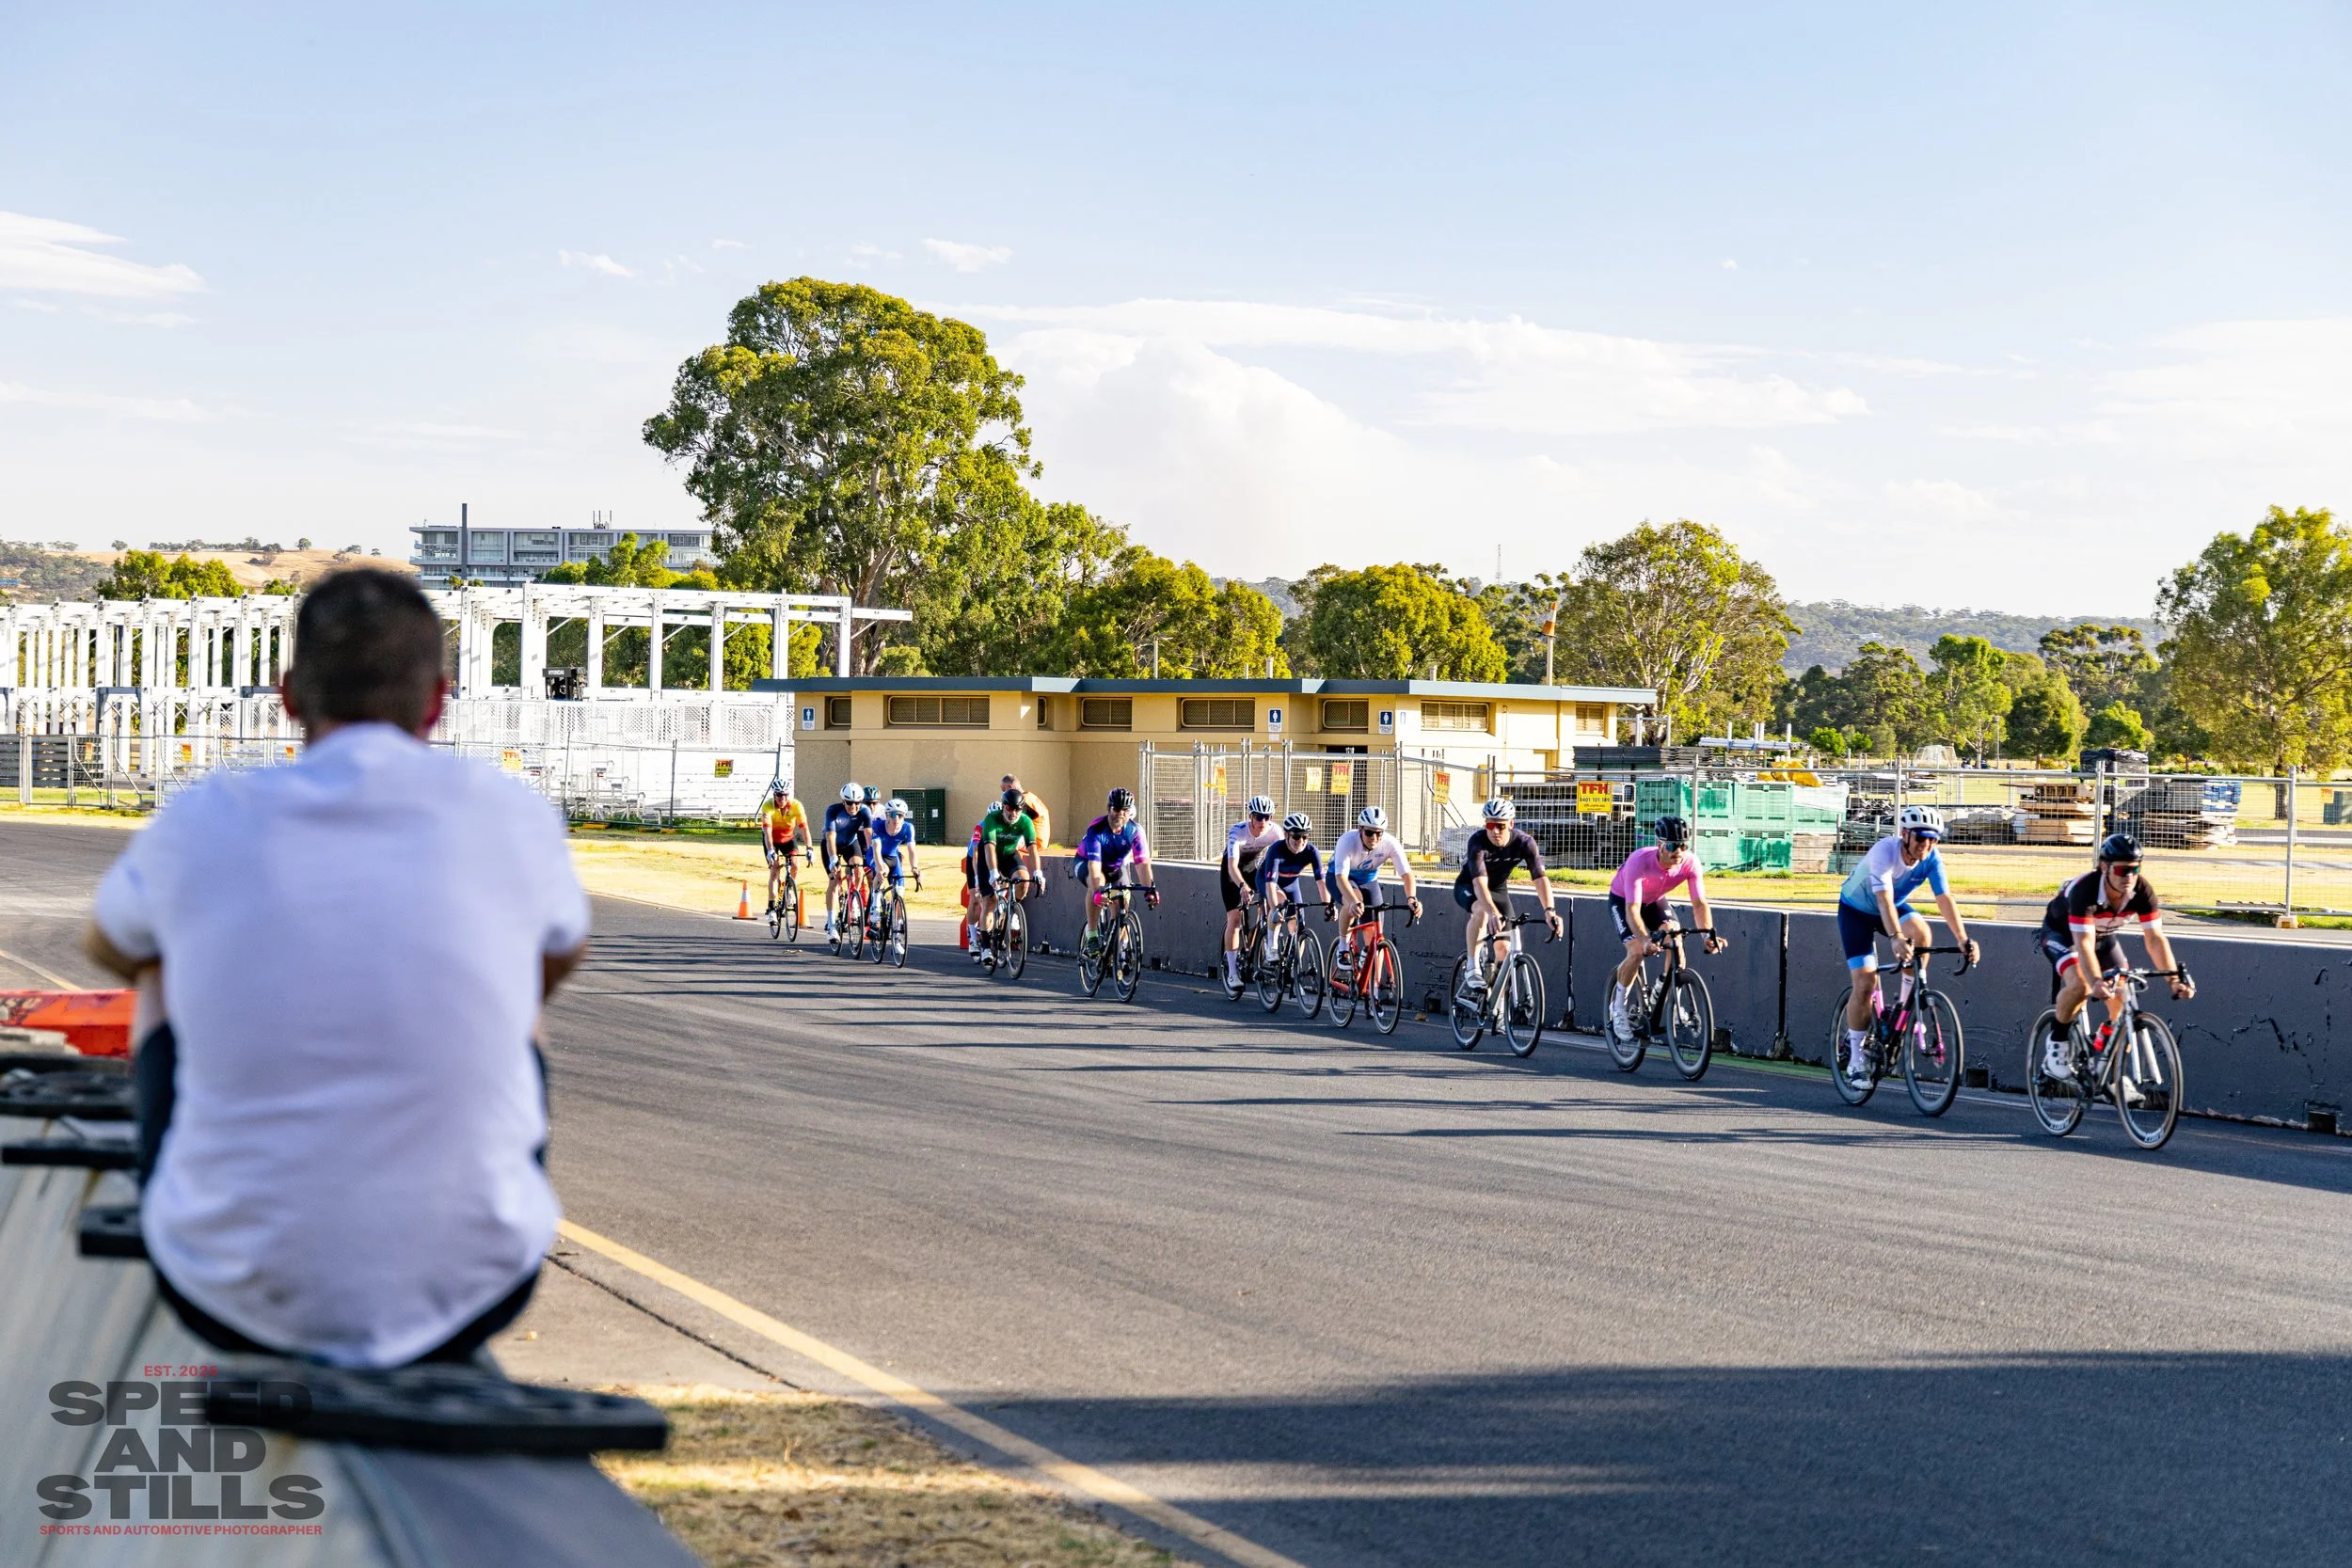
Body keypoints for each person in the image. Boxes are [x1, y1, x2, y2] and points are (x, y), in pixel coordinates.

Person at [82, 568, 590, 1368]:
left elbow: (111, 944)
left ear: (289, 694)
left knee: (159, 959)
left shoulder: (207, 815)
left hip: (225, 1286)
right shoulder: (510, 812)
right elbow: (566, 949)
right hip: (480, 1286)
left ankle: (203, 1188)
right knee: (525, 967)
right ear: (437, 701)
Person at [1836, 804, 1979, 1085]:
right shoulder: (1884, 852)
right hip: (1857, 912)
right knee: (1864, 983)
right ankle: (1855, 1062)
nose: (1926, 844)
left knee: (1923, 933)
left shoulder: (1932, 858)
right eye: (1921, 837)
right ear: (1904, 834)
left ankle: (1902, 1004)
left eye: (1933, 839)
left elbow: (1944, 899)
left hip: (1894, 907)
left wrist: (1963, 939)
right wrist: (1896, 938)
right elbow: (1883, 900)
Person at [2036, 832, 2194, 1080]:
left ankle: (2114, 1077)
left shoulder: (2142, 890)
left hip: (2103, 938)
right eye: (2122, 871)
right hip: (2063, 935)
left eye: (2135, 869)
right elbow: (2084, 943)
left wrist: (2173, 979)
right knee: (2082, 986)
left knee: (2123, 999)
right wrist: (2096, 980)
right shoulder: (2085, 890)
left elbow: (2154, 939)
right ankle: (2057, 1043)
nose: (2129, 877)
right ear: (2104, 867)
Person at [1606, 816, 1724, 1037]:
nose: (1678, 851)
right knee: (1636, 952)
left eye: (1683, 845)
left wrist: (1707, 936)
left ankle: (1665, 990)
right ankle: (1618, 1008)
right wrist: (1644, 940)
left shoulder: (1690, 863)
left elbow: (1699, 904)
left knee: (1676, 937)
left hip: (1653, 901)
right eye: (1671, 845)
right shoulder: (1639, 861)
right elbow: (1632, 910)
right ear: (1659, 845)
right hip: (1624, 902)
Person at [1454, 798, 1562, 991]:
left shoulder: (1524, 842)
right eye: (1490, 824)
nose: (1495, 831)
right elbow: (1479, 883)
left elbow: (1540, 878)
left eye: (1501, 826)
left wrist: (1550, 911)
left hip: (1498, 891)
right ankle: (1472, 967)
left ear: (1511, 824)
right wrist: (1493, 911)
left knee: (1504, 951)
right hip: (1469, 887)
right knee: (1482, 911)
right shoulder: (1478, 842)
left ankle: (1500, 1010)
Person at [1076, 787, 1160, 951]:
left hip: (1115, 866)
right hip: (1088, 861)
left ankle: (1117, 948)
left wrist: (1149, 889)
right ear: (1108, 808)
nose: (1120, 814)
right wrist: (1097, 892)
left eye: (1125, 810)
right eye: (1116, 809)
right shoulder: (1097, 829)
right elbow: (1094, 865)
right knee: (1098, 884)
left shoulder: (1135, 831)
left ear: (1130, 812)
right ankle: (1092, 934)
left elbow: (1142, 863)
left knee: (1122, 904)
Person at [1325, 805, 1421, 932]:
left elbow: (1407, 875)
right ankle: (1343, 947)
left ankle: (1369, 951)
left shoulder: (1390, 843)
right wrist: (1353, 901)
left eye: (1378, 833)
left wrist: (1412, 898)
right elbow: (1341, 878)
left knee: (1375, 930)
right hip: (1339, 878)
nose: (1374, 838)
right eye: (1369, 833)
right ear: (1360, 829)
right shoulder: (1347, 841)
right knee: (1354, 900)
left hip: (1369, 880)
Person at [1220, 795, 1279, 988]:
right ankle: (1232, 972)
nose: (1262, 822)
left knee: (1271, 903)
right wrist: (1242, 885)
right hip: (1233, 871)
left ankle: (1258, 940)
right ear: (1250, 816)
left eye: (1267, 817)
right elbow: (1232, 866)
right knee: (1235, 919)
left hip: (1254, 868)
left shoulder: (1274, 831)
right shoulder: (1238, 832)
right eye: (1258, 817)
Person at [974, 786, 1041, 952]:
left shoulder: (1025, 821)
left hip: (1010, 855)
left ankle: (1011, 910)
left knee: (1023, 881)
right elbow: (989, 848)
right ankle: (985, 947)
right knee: (990, 901)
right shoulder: (992, 819)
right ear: (1004, 806)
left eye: (1018, 809)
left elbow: (1033, 849)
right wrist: (993, 873)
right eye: (1010, 808)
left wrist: (1038, 872)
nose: (1014, 813)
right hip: (988, 857)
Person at [1254, 812, 1326, 955]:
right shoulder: (1276, 850)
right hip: (1267, 881)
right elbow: (1270, 886)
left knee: (1298, 922)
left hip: (1291, 883)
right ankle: (1272, 947)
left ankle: (1294, 967)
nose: (1301, 841)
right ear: (1286, 835)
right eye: (1296, 836)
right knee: (1280, 901)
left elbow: (1321, 882)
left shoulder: (1312, 851)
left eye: (1305, 836)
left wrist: (1328, 905)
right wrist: (1274, 909)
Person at [820, 782, 876, 940]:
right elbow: (831, 836)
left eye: (857, 803)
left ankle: (854, 901)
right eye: (850, 803)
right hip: (831, 845)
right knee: (835, 880)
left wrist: (874, 857)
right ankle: (831, 925)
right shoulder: (833, 811)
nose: (853, 806)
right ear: (843, 801)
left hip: (851, 843)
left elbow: (868, 834)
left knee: (858, 870)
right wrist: (832, 858)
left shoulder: (865, 811)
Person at [759, 782, 809, 918]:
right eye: (779, 795)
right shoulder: (768, 806)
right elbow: (767, 832)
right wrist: (770, 851)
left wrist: (809, 848)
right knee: (775, 870)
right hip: (772, 840)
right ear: (774, 795)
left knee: (795, 865)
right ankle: (771, 907)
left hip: (788, 839)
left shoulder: (796, 806)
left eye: (785, 795)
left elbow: (804, 829)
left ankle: (790, 890)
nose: (782, 798)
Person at [870, 797, 922, 905]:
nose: (897, 819)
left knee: (899, 891)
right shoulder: (877, 826)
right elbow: (876, 848)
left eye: (901, 815)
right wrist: (879, 867)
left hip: (893, 857)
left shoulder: (908, 828)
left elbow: (912, 850)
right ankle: (875, 906)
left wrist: (915, 868)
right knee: (883, 871)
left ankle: (897, 919)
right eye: (893, 815)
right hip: (876, 855)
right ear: (887, 815)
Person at [999, 773, 1052, 850]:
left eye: (1004, 790)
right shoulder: (1030, 797)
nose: (1004, 793)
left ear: (1010, 787)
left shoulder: (1022, 801)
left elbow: (1015, 824)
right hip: (1040, 841)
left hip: (1036, 843)